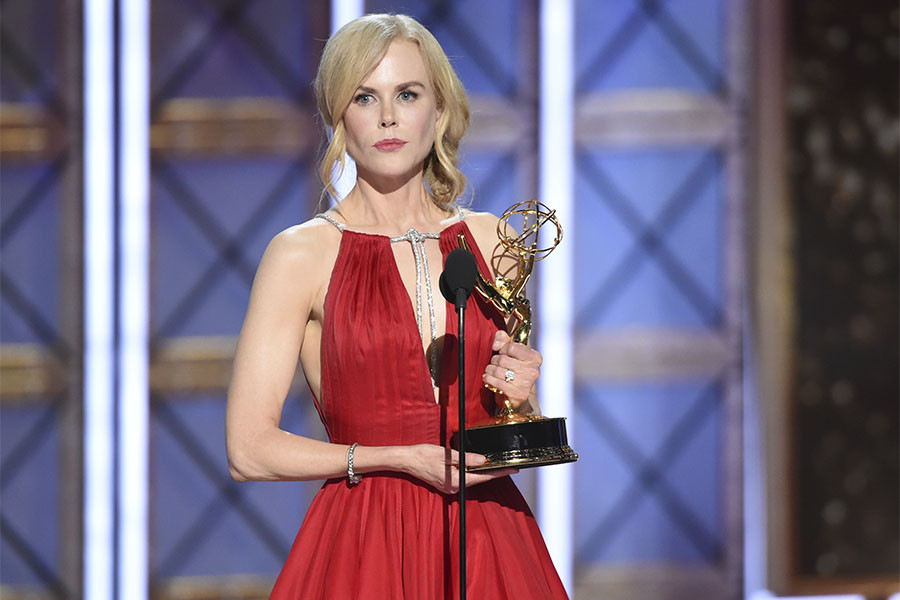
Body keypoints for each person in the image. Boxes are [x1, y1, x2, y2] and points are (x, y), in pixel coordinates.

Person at [225, 13, 568, 599]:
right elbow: (248, 449)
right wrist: (401, 459)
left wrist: (520, 397)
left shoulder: (493, 242)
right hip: (365, 544)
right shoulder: (301, 254)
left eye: (406, 94)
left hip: (489, 541)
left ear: (438, 110)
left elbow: (511, 429)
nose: (387, 117)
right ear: (339, 115)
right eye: (365, 97)